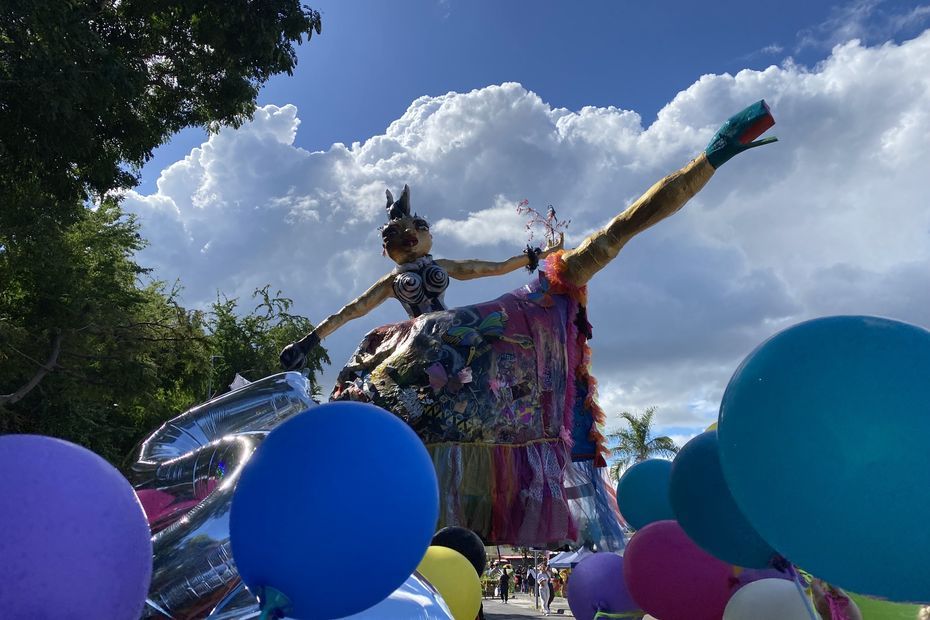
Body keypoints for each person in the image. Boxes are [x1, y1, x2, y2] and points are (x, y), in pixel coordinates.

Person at [281, 101, 777, 548]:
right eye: (399, 236)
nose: (409, 238)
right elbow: (352, 310)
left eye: (413, 230)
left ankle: (710, 157)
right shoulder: (393, 284)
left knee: (552, 288)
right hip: (419, 347)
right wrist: (309, 341)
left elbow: (481, 268)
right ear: (392, 247)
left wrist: (527, 260)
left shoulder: (439, 266)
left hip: (449, 339)